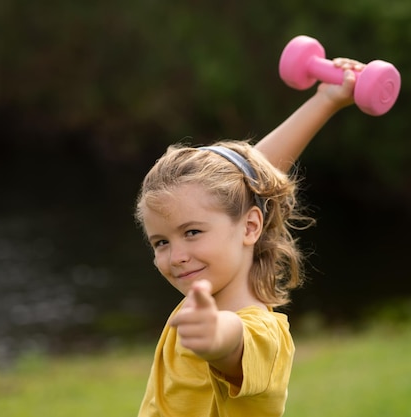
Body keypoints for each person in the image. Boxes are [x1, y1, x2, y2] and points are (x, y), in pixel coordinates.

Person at [134, 57, 364, 417]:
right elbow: (249, 180)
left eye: (191, 232)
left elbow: (233, 345)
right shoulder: (209, 287)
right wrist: (327, 99)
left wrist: (216, 338)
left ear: (251, 227)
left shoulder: (263, 336)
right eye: (161, 242)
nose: (176, 255)